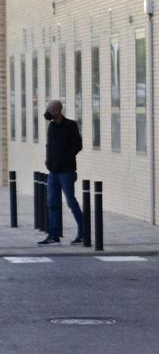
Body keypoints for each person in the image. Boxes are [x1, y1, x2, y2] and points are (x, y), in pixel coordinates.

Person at [38, 100, 85, 246]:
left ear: (57, 111)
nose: (48, 112)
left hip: (66, 171)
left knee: (71, 201)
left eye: (50, 110)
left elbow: (78, 145)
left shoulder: (70, 125)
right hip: (53, 172)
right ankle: (54, 236)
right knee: (52, 203)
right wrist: (48, 162)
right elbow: (49, 146)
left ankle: (83, 233)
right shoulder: (51, 127)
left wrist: (64, 160)